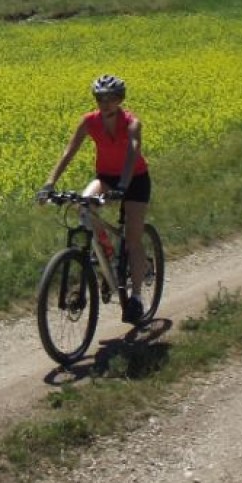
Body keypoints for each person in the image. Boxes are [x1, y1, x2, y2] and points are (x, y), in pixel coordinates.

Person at [40, 73, 152, 325]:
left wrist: (123, 185)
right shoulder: (89, 122)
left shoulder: (132, 123)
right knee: (83, 204)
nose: (105, 104)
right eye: (100, 98)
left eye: (111, 99)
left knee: (133, 239)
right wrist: (50, 183)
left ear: (120, 100)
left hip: (135, 180)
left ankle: (136, 298)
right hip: (106, 177)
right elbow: (69, 151)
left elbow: (133, 152)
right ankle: (108, 255)